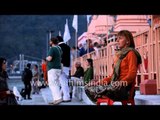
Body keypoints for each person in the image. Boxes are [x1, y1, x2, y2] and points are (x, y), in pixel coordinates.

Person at [85, 30, 142, 103]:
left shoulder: (131, 53)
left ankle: (100, 94)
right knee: (88, 87)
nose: (117, 40)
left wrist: (120, 82)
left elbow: (132, 74)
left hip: (124, 88)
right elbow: (112, 76)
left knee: (107, 89)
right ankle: (100, 95)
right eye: (117, 38)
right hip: (114, 85)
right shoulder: (119, 55)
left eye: (120, 38)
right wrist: (99, 82)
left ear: (128, 41)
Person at [46, 37, 63, 105]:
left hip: (52, 68)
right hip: (58, 68)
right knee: (56, 84)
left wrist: (46, 58)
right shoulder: (59, 48)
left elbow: (50, 58)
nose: (49, 43)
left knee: (52, 84)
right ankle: (55, 99)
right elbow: (60, 57)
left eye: (50, 41)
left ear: (52, 42)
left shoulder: (52, 49)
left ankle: (58, 98)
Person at [57, 36, 71, 102]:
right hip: (67, 66)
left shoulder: (59, 47)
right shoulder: (67, 47)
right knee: (64, 82)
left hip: (61, 66)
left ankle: (66, 97)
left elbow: (60, 57)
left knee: (63, 82)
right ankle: (61, 95)